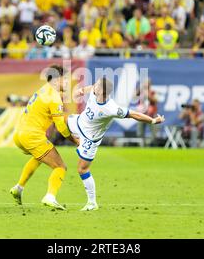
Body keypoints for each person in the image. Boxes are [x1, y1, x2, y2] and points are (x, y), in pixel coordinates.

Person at [69, 77, 165, 211]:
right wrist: (80, 91)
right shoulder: (95, 91)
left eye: (96, 85)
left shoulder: (112, 108)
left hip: (90, 139)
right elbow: (88, 88)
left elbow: (133, 114)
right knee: (59, 121)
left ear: (102, 91)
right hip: (78, 122)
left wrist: (153, 121)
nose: (93, 87)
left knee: (82, 169)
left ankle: (92, 203)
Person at [10, 65, 79, 210]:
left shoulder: (42, 90)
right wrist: (76, 141)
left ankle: (18, 188)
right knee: (60, 167)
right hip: (32, 136)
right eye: (65, 79)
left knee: (39, 156)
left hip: (19, 135)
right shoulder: (54, 97)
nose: (67, 83)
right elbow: (60, 127)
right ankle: (50, 197)